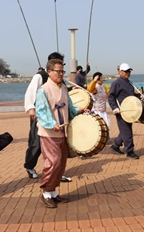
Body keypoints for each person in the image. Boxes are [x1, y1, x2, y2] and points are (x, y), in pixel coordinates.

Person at [35, 58, 87, 208]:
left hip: (62, 132)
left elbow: (69, 107)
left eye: (62, 71)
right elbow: (41, 112)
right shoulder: (43, 90)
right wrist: (52, 124)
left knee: (61, 162)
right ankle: (45, 192)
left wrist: (79, 111)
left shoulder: (63, 88)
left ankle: (53, 192)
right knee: (53, 161)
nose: (61, 74)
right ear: (49, 72)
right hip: (49, 133)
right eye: (58, 71)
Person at [23, 52, 71, 182]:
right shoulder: (40, 76)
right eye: (58, 68)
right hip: (40, 115)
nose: (61, 72)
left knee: (60, 148)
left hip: (57, 117)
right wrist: (31, 109)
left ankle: (58, 173)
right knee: (36, 143)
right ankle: (30, 166)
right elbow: (30, 93)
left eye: (62, 68)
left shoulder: (61, 80)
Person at [108, 63, 140, 159]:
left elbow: (131, 95)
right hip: (121, 111)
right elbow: (111, 96)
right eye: (125, 71)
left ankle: (115, 146)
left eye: (129, 71)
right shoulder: (116, 83)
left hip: (130, 111)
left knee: (125, 130)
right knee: (127, 131)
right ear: (120, 72)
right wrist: (114, 108)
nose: (128, 73)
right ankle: (129, 151)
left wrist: (140, 97)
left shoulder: (129, 83)